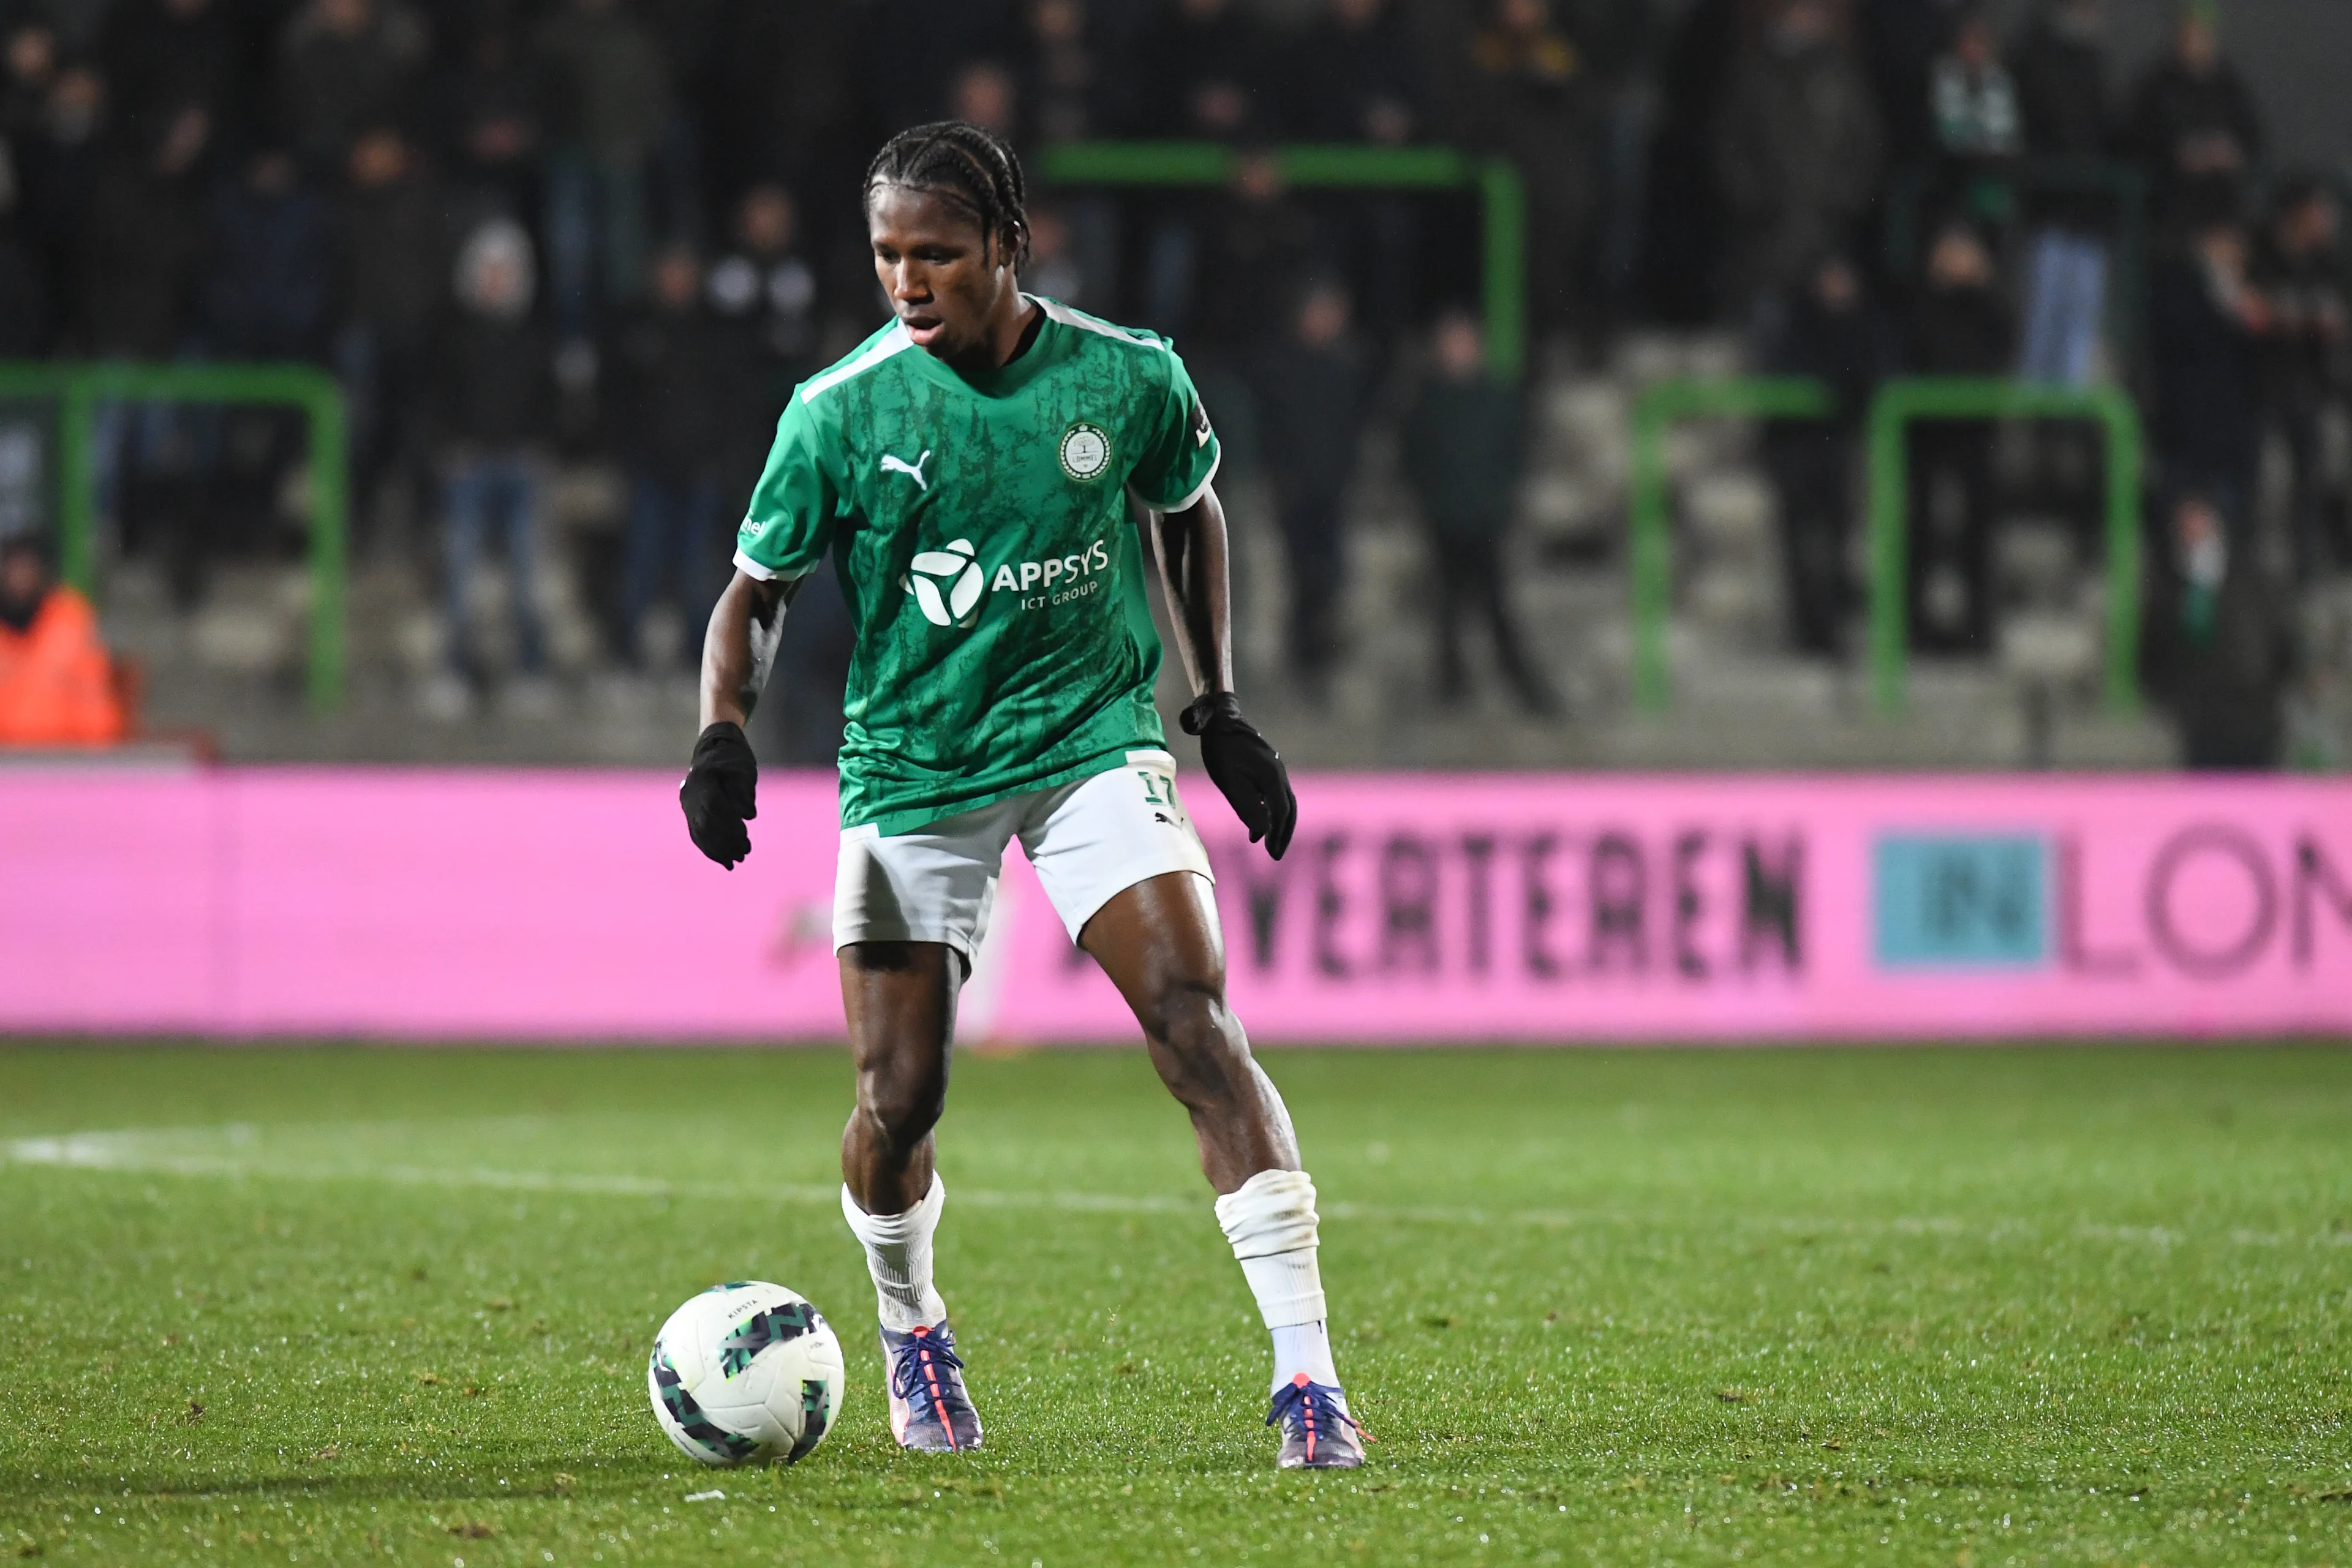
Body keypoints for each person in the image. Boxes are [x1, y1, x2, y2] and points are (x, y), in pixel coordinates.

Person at [679, 121, 1359, 1469]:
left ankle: (1307, 1375)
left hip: (1089, 738)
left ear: (1007, 244)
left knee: (1195, 1018)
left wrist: (1214, 705)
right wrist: (721, 734)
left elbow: (1189, 508)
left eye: (936, 252)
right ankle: (909, 1324)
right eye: (887, 255)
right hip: (909, 769)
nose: (908, 280)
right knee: (901, 1092)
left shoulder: (1126, 376)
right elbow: (755, 593)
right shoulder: (840, 411)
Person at [424, 214, 556, 719]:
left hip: (520, 466)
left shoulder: (535, 334)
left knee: (527, 574)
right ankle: (455, 671)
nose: (497, 278)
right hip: (470, 466)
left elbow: (550, 400)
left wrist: (542, 447)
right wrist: (446, 449)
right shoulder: (452, 331)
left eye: (506, 268)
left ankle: (531, 670)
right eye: (489, 268)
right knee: (460, 572)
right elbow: (435, 398)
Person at [1401, 306, 1556, 711]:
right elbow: (1413, 457)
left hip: (1486, 519)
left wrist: (1500, 501)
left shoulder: (1497, 397)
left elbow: (1514, 452)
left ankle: (1520, 684)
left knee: (1495, 605)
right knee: (1448, 608)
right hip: (1445, 518)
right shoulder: (1428, 401)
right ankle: (1453, 688)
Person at [1714, 0, 1882, 326]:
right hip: (1764, 242)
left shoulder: (1841, 75)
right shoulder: (1752, 74)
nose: (1804, 17)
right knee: (1761, 338)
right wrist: (1754, 202)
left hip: (1828, 242)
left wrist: (1843, 201)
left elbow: (1866, 147)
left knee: (1823, 343)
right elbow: (1728, 148)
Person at [608, 242, 733, 671]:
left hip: (700, 468)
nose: (676, 283)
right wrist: (630, 453)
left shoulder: (713, 330)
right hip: (650, 469)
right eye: (668, 272)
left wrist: (720, 455)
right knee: (641, 564)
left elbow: (730, 399)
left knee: (699, 568)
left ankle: (695, 657)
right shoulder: (635, 328)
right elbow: (620, 401)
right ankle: (627, 653)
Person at [1760, 252, 1890, 655]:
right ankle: (1807, 631)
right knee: (1801, 546)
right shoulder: (1790, 324)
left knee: (1836, 543)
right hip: (1795, 451)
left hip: (1835, 451)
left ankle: (1831, 628)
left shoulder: (1862, 327)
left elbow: (1868, 378)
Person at [1252, 276, 1370, 697]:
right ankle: (1303, 661)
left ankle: (1325, 658)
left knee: (1332, 575)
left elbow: (1353, 428)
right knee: (1301, 575)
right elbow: (1271, 430)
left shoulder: (1347, 366)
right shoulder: (1280, 367)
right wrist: (1280, 475)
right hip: (1296, 489)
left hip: (1333, 487)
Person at [1905, 217, 2011, 653]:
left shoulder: (1989, 306)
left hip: (1975, 431)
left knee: (1977, 536)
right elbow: (1916, 348)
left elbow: (2003, 345)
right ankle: (1915, 630)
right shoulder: (1919, 304)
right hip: (1926, 433)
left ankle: (1978, 630)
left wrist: (1982, 289)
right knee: (1921, 534)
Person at [2251, 178, 2349, 582]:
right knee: (2270, 483)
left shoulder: (2330, 263)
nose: (2325, 221)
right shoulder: (2262, 254)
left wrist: (2300, 321)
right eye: (2317, 211)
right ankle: (2264, 571)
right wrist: (2292, 320)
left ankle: (2312, 566)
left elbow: (2334, 322)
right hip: (2263, 389)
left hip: (2314, 388)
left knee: (2318, 475)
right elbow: (2258, 316)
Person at [2013, 0, 2114, 386]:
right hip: (2046, 217)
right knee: (2039, 332)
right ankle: (2033, 431)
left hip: (2088, 219)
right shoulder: (2036, 52)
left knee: (2079, 335)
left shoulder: (2094, 58)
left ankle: (2064, 430)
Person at [2124, 0, 2261, 238]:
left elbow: (2254, 140)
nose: (2193, 39)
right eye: (2187, 30)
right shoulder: (2155, 85)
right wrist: (2179, 153)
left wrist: (2227, 154)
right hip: (2169, 222)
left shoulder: (2230, 87)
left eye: (2200, 32)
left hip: (2221, 220)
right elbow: (2135, 139)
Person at [0, 535, 124, 745]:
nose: (19, 577)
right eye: (12, 567)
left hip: (63, 760)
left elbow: (94, 699)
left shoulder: (70, 619)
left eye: (27, 567)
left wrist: (98, 755)